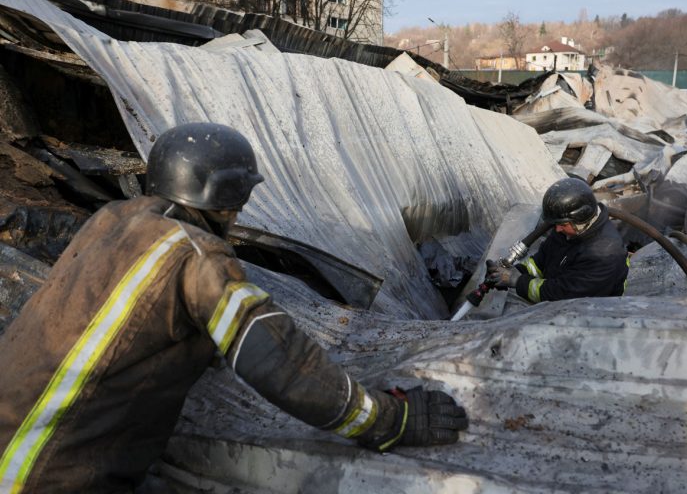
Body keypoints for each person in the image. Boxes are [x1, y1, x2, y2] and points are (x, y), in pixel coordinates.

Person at [0, 123, 468, 493]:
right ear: (225, 199)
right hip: (49, 475)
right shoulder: (197, 258)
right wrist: (387, 420)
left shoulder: (111, 220)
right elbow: (280, 362)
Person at [487, 177, 629, 304]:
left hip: (587, 314)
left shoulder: (604, 254)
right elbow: (541, 262)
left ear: (582, 218)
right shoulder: (568, 231)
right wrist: (514, 272)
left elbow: (562, 296)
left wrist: (518, 281)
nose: (557, 229)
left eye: (563, 225)